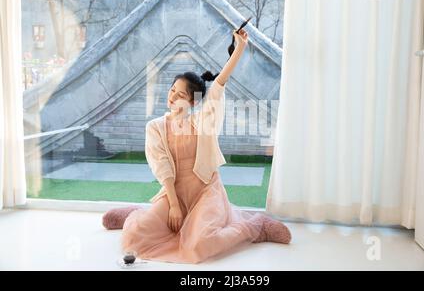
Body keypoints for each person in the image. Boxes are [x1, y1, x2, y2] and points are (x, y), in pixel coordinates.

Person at [102, 28, 291, 264]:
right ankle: (134, 216)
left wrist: (239, 49)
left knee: (199, 246)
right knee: (134, 240)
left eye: (180, 94)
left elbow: (219, 85)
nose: (172, 97)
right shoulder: (156, 127)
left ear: (192, 101)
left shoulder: (202, 121)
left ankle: (256, 226)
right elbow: (163, 168)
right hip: (175, 193)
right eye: (172, 90)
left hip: (205, 192)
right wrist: (173, 205)